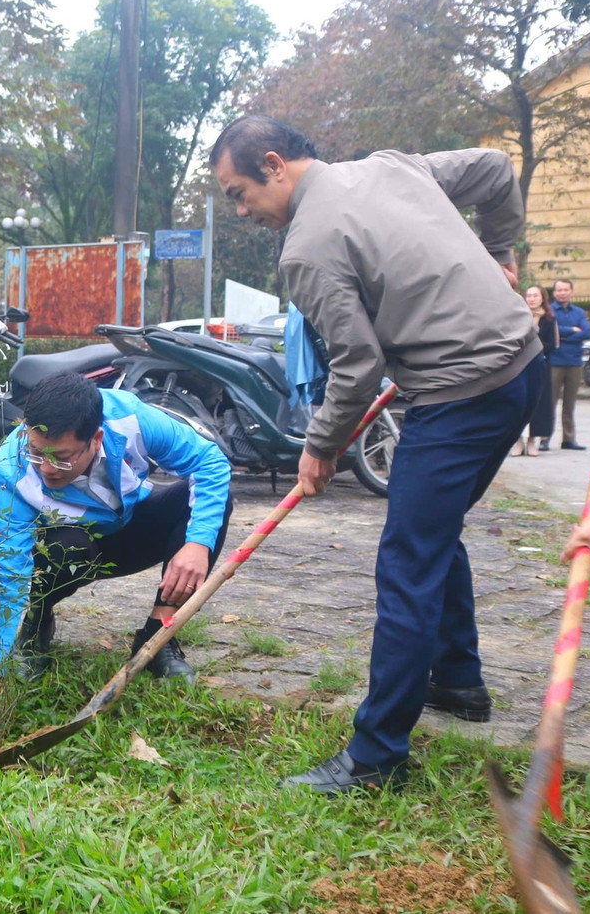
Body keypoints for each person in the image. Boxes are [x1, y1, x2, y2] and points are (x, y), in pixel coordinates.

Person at [210, 116, 544, 795]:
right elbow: (494, 170)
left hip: (461, 394)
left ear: (275, 164)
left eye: (239, 193)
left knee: (406, 563)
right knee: (430, 531)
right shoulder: (391, 163)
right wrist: (500, 251)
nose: (242, 211)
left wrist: (319, 447)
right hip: (523, 368)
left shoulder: (307, 247)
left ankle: (376, 756)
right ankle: (458, 680)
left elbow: (357, 366)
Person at [0, 372, 233, 688]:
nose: (47, 469)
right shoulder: (9, 472)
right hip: (66, 551)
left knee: (203, 505)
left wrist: (197, 543)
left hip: (127, 530)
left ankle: (158, 636)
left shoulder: (130, 417)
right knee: (66, 545)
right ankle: (35, 625)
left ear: (96, 439)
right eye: (38, 453)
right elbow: (5, 572)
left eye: (62, 458)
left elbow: (210, 462)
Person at [512, 285, 556, 456]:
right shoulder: (518, 317)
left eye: (535, 295)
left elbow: (551, 345)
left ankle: (532, 442)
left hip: (540, 365)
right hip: (519, 367)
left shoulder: (549, 319)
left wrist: (533, 348)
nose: (531, 298)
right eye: (529, 295)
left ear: (542, 298)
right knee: (518, 404)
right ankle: (517, 442)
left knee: (538, 405)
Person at [550, 278, 590, 450]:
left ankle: (569, 439)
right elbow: (552, 330)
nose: (562, 293)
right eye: (559, 290)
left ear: (571, 291)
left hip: (574, 362)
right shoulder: (550, 311)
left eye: (565, 289)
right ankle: (545, 438)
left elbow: (587, 332)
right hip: (555, 361)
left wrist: (563, 337)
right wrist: (573, 330)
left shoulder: (579, 312)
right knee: (550, 402)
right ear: (554, 293)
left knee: (570, 403)